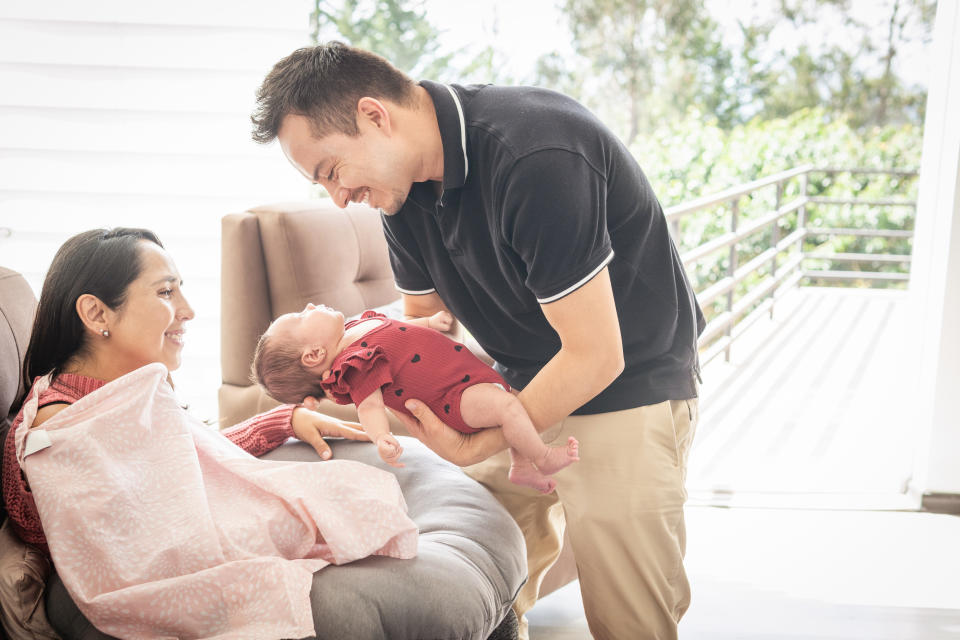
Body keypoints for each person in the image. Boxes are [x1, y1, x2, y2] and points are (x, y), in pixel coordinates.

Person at [252, 42, 705, 640]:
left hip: (625, 387)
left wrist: (483, 442)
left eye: (332, 171)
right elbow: (422, 327)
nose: (337, 198)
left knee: (630, 620)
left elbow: (597, 354)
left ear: (374, 116)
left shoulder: (535, 153)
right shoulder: (402, 197)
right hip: (512, 381)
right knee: (483, 584)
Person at [1, 228, 373, 558]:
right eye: (166, 291)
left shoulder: (121, 391)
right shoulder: (63, 429)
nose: (189, 311)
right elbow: (145, 546)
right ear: (97, 314)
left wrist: (283, 421)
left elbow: (177, 462)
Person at [254, 305, 580, 492]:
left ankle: (520, 466)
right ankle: (541, 456)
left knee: (506, 400)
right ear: (313, 354)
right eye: (300, 317)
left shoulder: (356, 326)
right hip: (450, 398)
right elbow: (369, 405)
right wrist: (381, 437)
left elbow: (397, 329)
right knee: (508, 408)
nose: (309, 306)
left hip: (459, 375)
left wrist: (428, 323)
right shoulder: (353, 365)